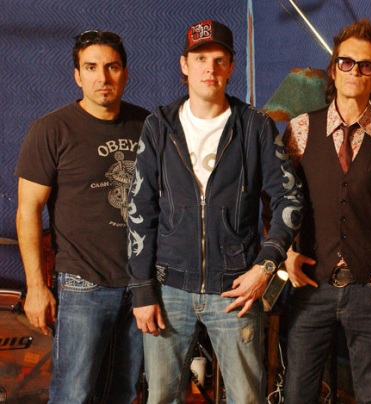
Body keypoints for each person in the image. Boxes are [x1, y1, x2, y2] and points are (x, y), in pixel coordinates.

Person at [126, 19, 304, 403]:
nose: (210, 68)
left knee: (246, 398)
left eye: (219, 59)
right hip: (169, 288)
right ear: (184, 64)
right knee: (161, 397)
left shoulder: (255, 126)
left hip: (235, 290)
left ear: (231, 66)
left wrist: (265, 267)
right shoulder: (159, 126)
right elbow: (140, 209)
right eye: (200, 58)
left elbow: (289, 199)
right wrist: (142, 289)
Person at [282, 18, 371, 403]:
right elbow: (278, 202)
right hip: (311, 287)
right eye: (347, 62)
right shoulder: (299, 130)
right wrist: (286, 253)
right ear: (333, 68)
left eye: (366, 65)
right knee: (297, 393)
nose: (355, 71)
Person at [15, 30, 149, 403]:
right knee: (74, 394)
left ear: (125, 73)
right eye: (91, 68)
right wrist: (36, 288)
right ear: (77, 75)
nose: (102, 77)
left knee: (123, 392)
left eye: (112, 67)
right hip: (82, 284)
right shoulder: (51, 130)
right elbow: (28, 210)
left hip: (140, 285)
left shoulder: (148, 125)